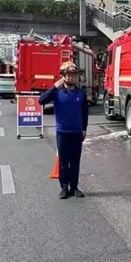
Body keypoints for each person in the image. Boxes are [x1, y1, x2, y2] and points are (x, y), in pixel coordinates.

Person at [40, 61, 89, 199]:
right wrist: (55, 86)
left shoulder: (81, 94)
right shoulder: (57, 92)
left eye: (73, 75)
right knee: (63, 161)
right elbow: (41, 101)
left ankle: (74, 187)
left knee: (75, 161)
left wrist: (84, 129)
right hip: (62, 132)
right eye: (68, 75)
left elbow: (85, 112)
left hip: (77, 132)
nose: (71, 77)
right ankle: (64, 187)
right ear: (63, 76)